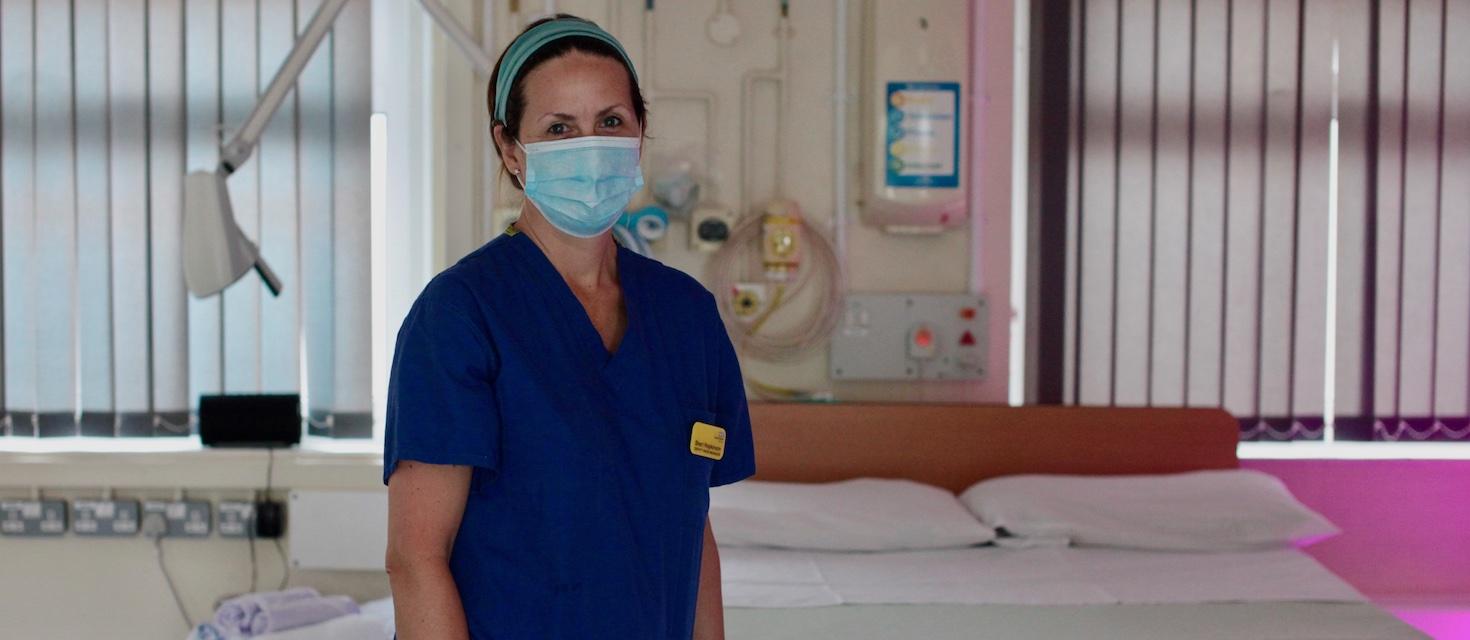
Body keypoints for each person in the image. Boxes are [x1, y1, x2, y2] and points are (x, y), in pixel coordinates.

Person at [382, 14, 755, 640]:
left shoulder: (686, 315)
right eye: (560, 128)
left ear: (640, 131)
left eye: (611, 121)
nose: (591, 145)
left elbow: (694, 533)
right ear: (510, 149)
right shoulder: (459, 315)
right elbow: (416, 559)